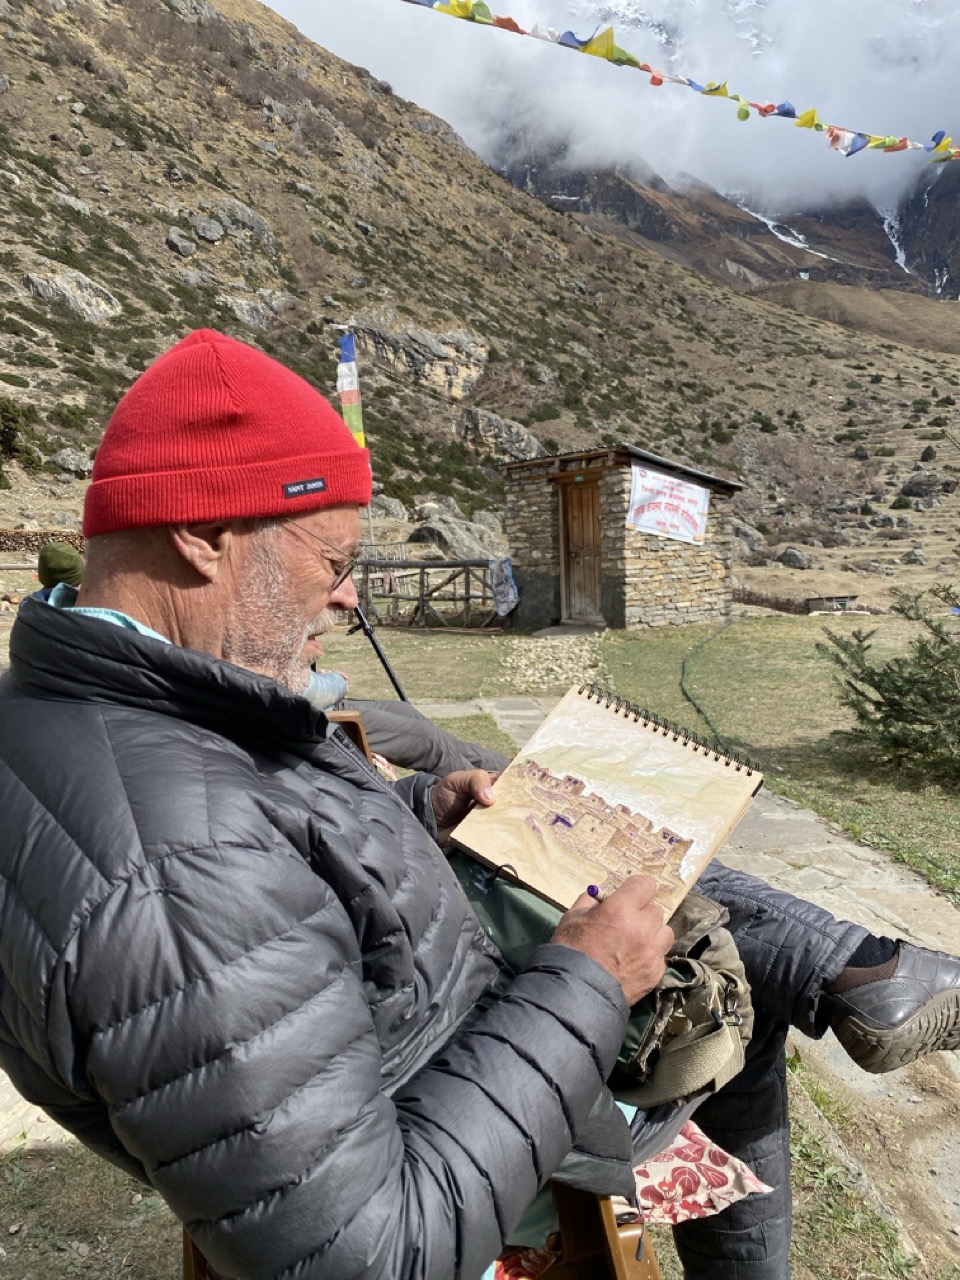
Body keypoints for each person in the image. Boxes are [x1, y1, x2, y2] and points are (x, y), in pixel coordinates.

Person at [0, 330, 956, 1280]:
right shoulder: (180, 872)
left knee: (646, 891)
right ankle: (853, 978)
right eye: (334, 563)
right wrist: (586, 981)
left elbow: (269, 856)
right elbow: (373, 1253)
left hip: (416, 1024)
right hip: (470, 1127)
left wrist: (421, 807)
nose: (349, 599)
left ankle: (858, 973)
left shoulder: (100, 706)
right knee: (728, 1010)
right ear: (206, 537)